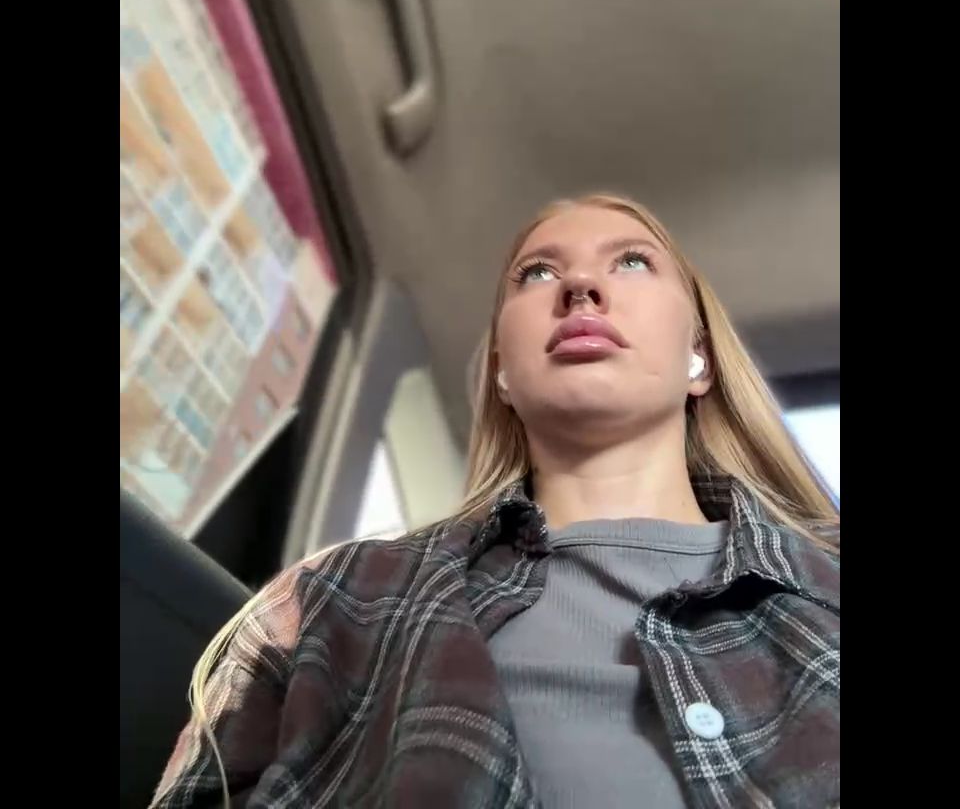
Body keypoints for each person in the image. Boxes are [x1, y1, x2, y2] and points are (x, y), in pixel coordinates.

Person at [151, 193, 840, 809]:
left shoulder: (827, 579)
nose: (579, 286)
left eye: (632, 261)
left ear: (699, 359)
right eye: (536, 273)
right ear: (503, 372)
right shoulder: (333, 597)